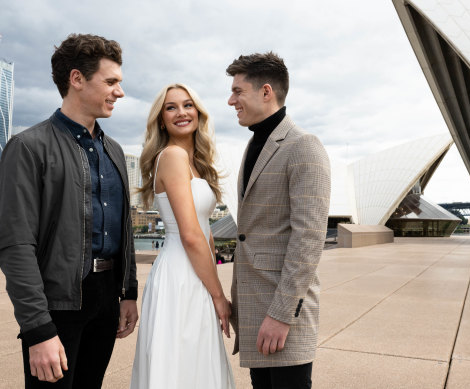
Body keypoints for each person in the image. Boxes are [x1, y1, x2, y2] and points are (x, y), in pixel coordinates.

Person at [0, 33, 138, 389]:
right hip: (56, 306)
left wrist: (129, 292)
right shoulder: (28, 147)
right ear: (76, 79)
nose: (119, 92)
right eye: (111, 82)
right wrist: (37, 328)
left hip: (106, 300)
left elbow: (125, 229)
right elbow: (15, 244)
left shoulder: (115, 151)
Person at [226, 52, 331, 388]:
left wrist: (282, 314)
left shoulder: (304, 146)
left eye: (238, 91)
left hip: (283, 312)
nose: (231, 100)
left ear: (266, 91)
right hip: (257, 308)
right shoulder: (255, 144)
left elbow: (309, 239)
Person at [130, 83, 235, 388]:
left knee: (195, 362)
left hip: (197, 272)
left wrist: (213, 285)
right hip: (181, 276)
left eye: (188, 105)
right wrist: (218, 294)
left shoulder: (196, 162)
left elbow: (206, 230)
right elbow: (191, 235)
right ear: (161, 119)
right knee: (183, 363)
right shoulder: (173, 156)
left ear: (198, 113)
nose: (181, 112)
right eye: (171, 107)